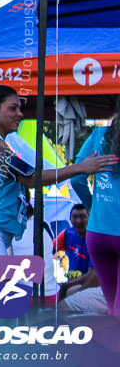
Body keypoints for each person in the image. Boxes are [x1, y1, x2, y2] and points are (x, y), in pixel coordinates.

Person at [0, 85, 116, 315]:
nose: (20, 114)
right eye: (13, 108)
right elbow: (30, 177)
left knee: (5, 314)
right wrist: (80, 167)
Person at [73, 113, 120, 315]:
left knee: (112, 306)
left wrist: (93, 206)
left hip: (97, 233)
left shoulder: (100, 135)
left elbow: (76, 179)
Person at [55, 204, 93, 299]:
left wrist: (65, 285)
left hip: (89, 285)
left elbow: (91, 275)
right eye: (75, 217)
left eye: (82, 217)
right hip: (70, 283)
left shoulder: (94, 240)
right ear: (70, 218)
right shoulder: (67, 233)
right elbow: (49, 250)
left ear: (89, 218)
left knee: (70, 291)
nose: (78, 221)